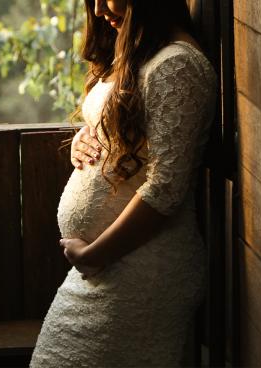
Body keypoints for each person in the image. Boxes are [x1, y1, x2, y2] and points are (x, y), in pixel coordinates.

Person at [30, 0, 217, 366]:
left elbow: (167, 187)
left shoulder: (177, 64)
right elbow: (143, 135)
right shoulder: (147, 53)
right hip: (109, 269)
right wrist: (92, 135)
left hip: (141, 272)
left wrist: (94, 253)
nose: (99, 9)